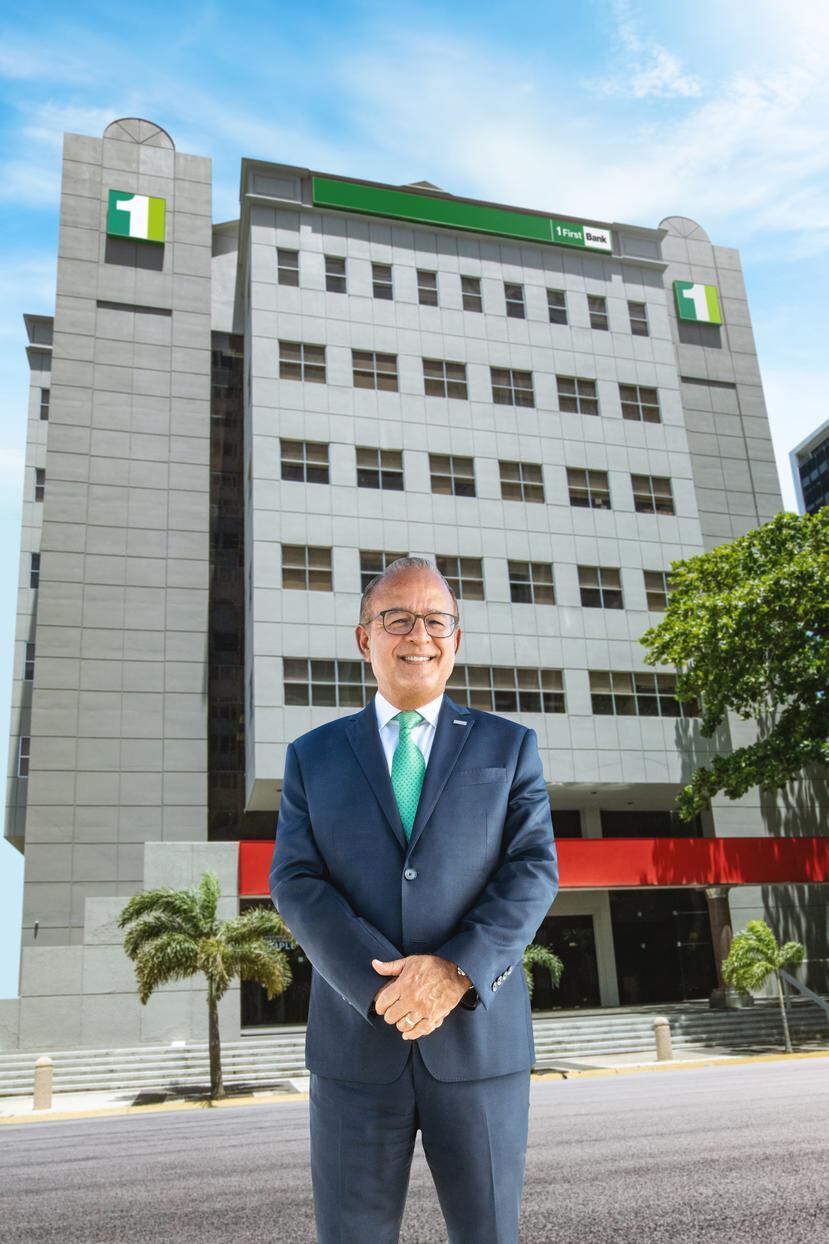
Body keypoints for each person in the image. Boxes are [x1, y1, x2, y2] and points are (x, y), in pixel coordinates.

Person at [270, 557, 558, 1243]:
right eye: (396, 619)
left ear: (455, 640)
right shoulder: (312, 756)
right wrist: (382, 987)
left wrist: (453, 970)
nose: (418, 635)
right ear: (363, 637)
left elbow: (533, 868)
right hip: (354, 1050)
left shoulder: (508, 747)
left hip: (479, 1045)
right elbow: (296, 881)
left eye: (435, 620)